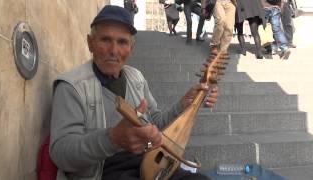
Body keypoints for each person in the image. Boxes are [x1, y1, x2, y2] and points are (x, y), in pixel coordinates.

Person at [50, 5, 218, 180]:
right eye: (105, 40)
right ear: (90, 43)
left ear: (131, 47)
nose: (113, 50)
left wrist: (184, 104)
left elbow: (156, 124)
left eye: (122, 42)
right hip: (100, 172)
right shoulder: (71, 87)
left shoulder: (136, 78)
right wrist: (112, 139)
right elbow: (61, 153)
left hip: (148, 163)